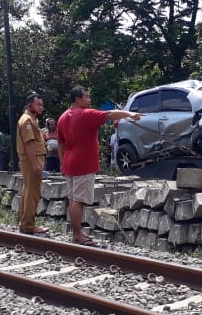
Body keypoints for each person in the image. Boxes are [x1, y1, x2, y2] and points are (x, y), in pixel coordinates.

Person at [57, 86, 143, 245]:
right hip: (83, 163)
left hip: (69, 163)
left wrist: (62, 164)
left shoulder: (62, 117)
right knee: (79, 200)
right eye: (87, 97)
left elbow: (60, 144)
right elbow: (109, 114)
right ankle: (77, 235)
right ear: (77, 99)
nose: (89, 100)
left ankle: (77, 232)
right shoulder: (86, 114)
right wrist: (129, 114)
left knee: (73, 199)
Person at [16, 93, 49, 235]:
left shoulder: (31, 119)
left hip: (31, 159)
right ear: (30, 105)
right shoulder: (27, 120)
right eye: (38, 104)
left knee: (28, 191)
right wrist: (35, 164)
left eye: (42, 104)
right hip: (31, 159)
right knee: (33, 192)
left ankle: (24, 224)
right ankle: (28, 225)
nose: (41, 107)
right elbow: (29, 144)